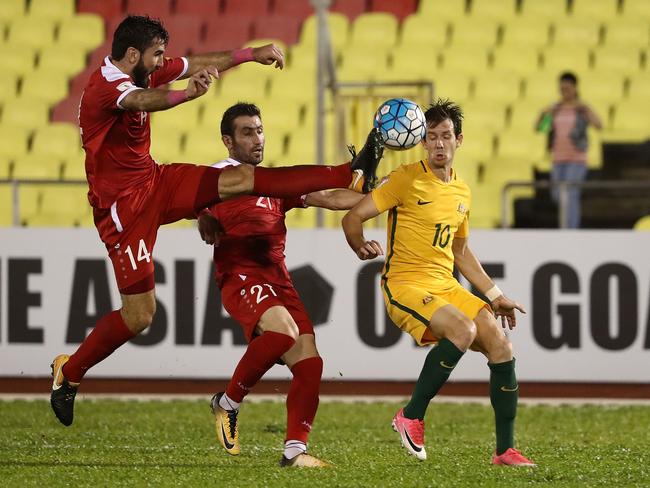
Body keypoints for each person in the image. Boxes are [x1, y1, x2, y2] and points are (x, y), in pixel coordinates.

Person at [50, 15, 383, 427]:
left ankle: (347, 168)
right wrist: (185, 97)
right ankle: (71, 371)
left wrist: (249, 55)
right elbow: (141, 101)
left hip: (155, 181)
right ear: (132, 55)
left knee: (242, 179)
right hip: (123, 211)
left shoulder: (140, 67)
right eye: (155, 57)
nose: (161, 63)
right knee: (140, 316)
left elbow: (193, 62)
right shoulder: (108, 87)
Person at [341, 99, 536, 466]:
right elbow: (353, 217)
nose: (439, 144)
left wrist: (495, 295)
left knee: (500, 345)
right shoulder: (404, 179)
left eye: (446, 136)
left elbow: (461, 251)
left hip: (444, 284)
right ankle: (411, 416)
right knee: (461, 330)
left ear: (459, 140)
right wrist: (359, 244)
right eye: (432, 138)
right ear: (422, 142)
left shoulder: (461, 191)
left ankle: (504, 450)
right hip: (405, 284)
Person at [196, 102, 369, 467]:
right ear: (227, 141)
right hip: (241, 275)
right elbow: (197, 205)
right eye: (247, 132)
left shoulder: (273, 183)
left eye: (259, 130)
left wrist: (383, 198)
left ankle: (295, 452)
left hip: (277, 278)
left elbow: (330, 197)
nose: (257, 139)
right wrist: (204, 219)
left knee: (310, 364)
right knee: (285, 333)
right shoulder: (219, 177)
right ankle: (226, 403)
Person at [536, 71, 602, 228]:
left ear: (575, 88)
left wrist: (586, 109)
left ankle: (570, 228)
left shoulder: (581, 109)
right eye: (562, 89)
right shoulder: (556, 109)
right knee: (557, 194)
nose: (565, 92)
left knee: (571, 194)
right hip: (558, 158)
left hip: (576, 159)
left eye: (567, 88)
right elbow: (541, 128)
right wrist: (543, 114)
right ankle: (566, 225)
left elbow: (598, 125)